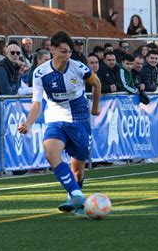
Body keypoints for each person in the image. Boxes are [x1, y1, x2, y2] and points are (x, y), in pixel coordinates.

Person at [17, 30, 101, 216]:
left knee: (77, 170)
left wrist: (95, 107)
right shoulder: (40, 73)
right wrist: (29, 122)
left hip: (79, 120)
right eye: (63, 51)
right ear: (52, 50)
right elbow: (37, 104)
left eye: (69, 52)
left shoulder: (79, 68)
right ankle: (77, 195)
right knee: (50, 153)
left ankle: (76, 199)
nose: (67, 56)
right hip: (55, 119)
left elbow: (97, 83)